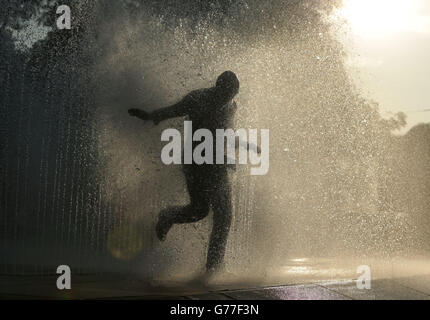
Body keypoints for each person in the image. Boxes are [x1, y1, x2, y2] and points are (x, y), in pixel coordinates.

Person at [128, 71, 257, 278]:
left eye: (232, 94)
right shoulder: (198, 99)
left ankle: (213, 267)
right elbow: (172, 111)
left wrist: (245, 147)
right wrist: (151, 115)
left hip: (216, 164)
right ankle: (169, 216)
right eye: (225, 93)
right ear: (217, 88)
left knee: (219, 215)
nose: (228, 98)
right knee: (201, 211)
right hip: (195, 162)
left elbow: (225, 134)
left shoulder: (231, 105)